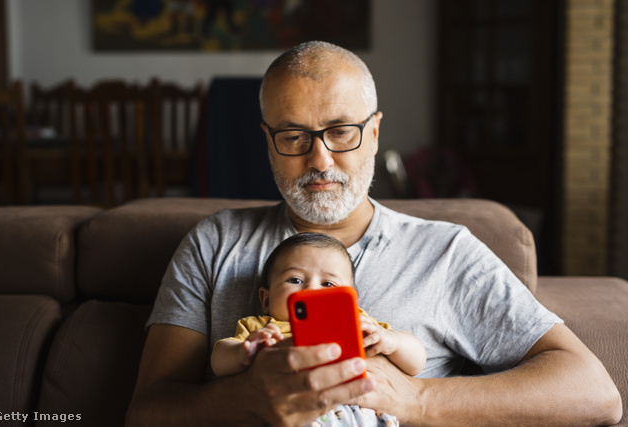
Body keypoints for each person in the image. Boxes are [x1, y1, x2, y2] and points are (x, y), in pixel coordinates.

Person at [126, 41, 622, 426]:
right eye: (293, 136)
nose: (319, 160)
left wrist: (413, 398)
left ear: (375, 131)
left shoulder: (444, 252)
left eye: (341, 131)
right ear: (267, 143)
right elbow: (145, 414)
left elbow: (593, 392)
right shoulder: (214, 242)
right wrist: (245, 398)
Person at [211, 232, 426, 426]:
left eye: (328, 284)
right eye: (295, 280)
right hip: (292, 412)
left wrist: (393, 341)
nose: (312, 289)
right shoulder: (263, 327)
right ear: (266, 299)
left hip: (360, 411)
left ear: (351, 298)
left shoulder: (360, 322)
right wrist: (243, 352)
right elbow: (219, 361)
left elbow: (417, 362)